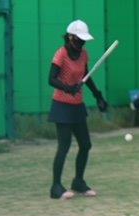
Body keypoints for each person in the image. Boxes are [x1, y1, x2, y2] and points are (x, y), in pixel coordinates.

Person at [48, 19, 108, 199]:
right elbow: (51, 79)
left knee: (85, 144)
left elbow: (86, 76)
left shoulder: (83, 55)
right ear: (70, 37)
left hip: (77, 107)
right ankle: (56, 187)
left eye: (83, 41)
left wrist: (98, 96)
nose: (81, 43)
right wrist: (68, 88)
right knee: (64, 146)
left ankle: (78, 182)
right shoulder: (61, 54)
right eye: (79, 40)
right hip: (61, 106)